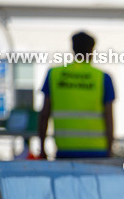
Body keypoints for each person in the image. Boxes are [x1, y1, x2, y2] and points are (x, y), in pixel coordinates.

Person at [37, 31, 115, 159]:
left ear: (73, 49)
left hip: (65, 150)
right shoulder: (102, 78)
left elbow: (44, 114)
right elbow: (109, 117)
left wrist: (42, 148)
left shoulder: (54, 74)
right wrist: (110, 149)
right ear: (91, 50)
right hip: (96, 151)